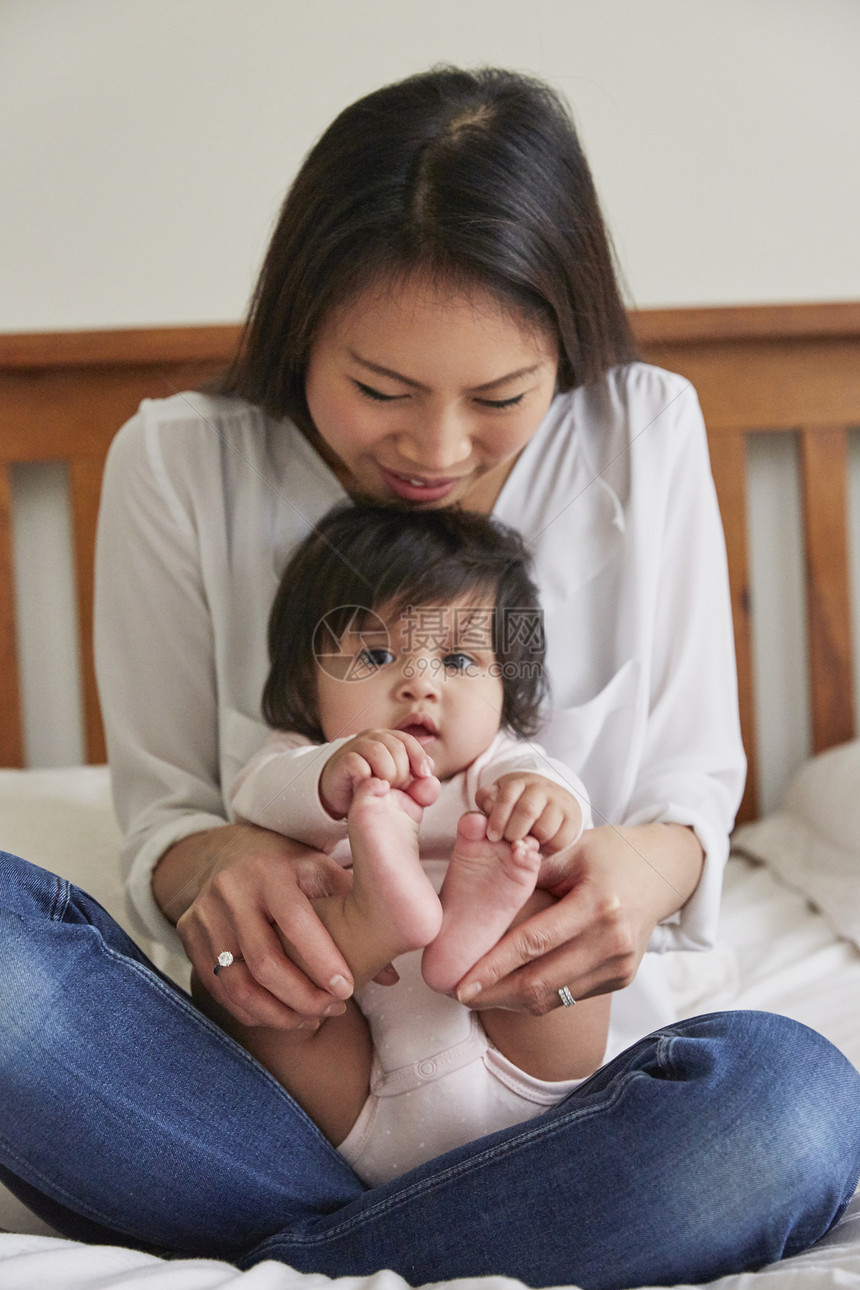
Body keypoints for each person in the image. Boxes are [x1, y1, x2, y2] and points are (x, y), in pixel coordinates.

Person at [2, 64, 859, 1288]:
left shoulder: (641, 433)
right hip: (275, 1083)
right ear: (301, 327)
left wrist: (631, 868)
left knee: (795, 1108)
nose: (437, 449)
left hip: (564, 1099)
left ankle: (298, 1259)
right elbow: (164, 814)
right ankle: (462, 1237)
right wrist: (220, 861)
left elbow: (689, 787)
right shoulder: (176, 461)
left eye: (500, 397)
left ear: (558, 353)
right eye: (378, 391)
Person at [197, 502, 607, 1184]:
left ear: (506, 686)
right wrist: (334, 774)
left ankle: (460, 934)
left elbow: (555, 790)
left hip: (523, 1062)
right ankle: (371, 924)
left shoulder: (498, 770)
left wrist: (550, 805)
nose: (420, 683)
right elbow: (258, 795)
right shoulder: (303, 761)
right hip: (353, 1096)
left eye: (458, 658)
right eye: (377, 655)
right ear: (307, 680)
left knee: (555, 901)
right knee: (248, 968)